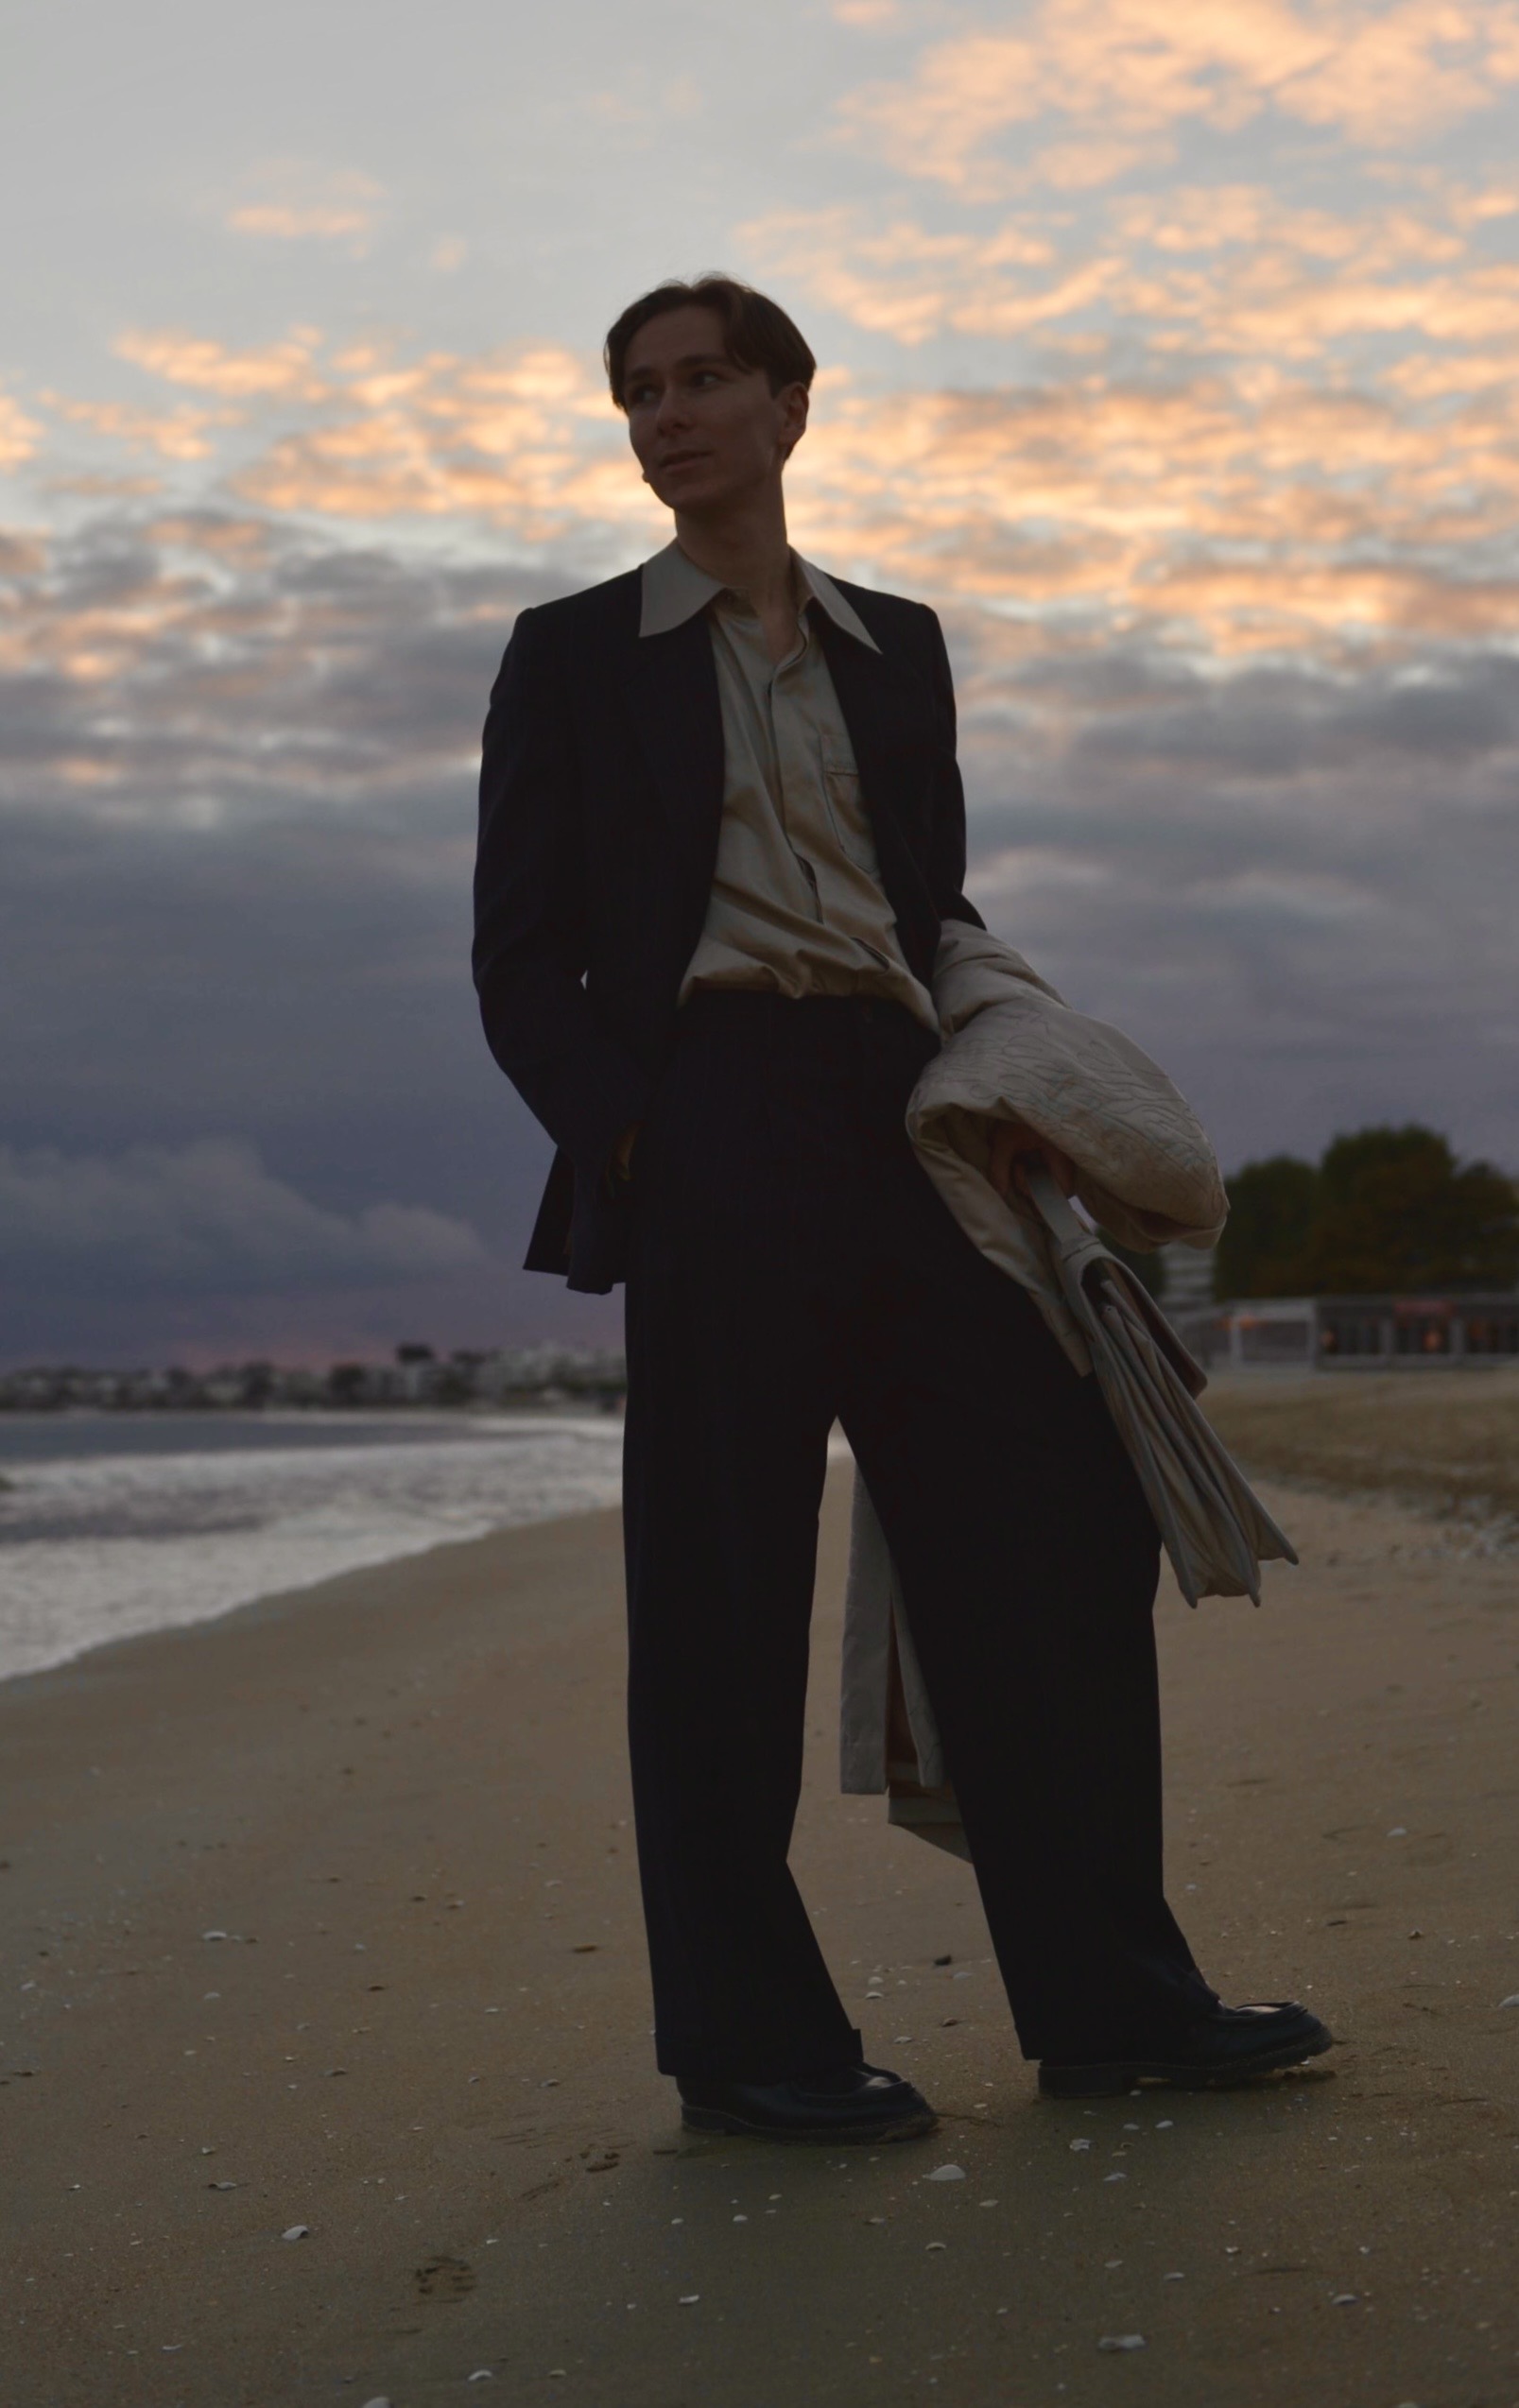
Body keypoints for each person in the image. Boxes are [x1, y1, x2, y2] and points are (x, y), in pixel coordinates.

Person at [472, 275, 1329, 2141]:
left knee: (1055, 1534)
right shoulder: (572, 653)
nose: (668, 417)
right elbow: (520, 959)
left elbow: (927, 900)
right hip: (707, 1119)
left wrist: (1002, 1091)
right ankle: (748, 2045)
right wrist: (637, 1143)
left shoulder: (899, 646)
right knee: (719, 1600)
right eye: (639, 392)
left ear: (792, 404)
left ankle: (1114, 2003)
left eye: (704, 379)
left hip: (909, 1118)